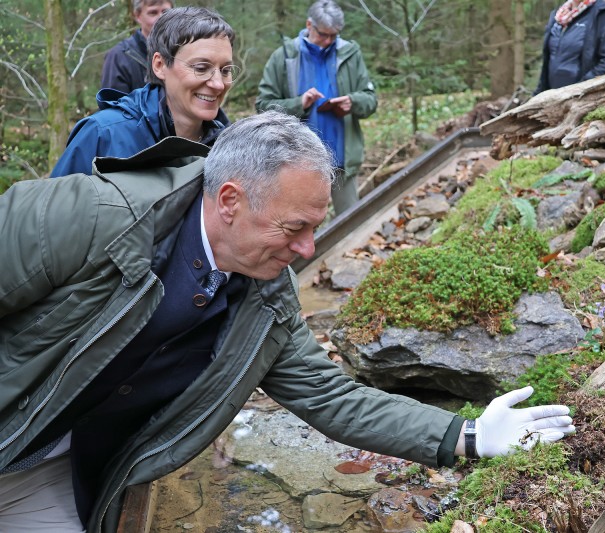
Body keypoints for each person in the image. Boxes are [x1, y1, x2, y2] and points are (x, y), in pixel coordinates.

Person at [0, 110, 575, 532]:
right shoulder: (91, 216)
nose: (307, 250)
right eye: (293, 228)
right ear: (230, 200)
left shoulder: (266, 296)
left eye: (316, 227)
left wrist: (466, 436)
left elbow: (329, 397)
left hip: (55, 471)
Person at [50, 6, 236, 178]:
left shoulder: (229, 147)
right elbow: (55, 210)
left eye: (226, 70)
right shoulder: (103, 135)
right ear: (160, 65)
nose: (218, 84)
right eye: (201, 68)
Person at [256, 0, 377, 216]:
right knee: (299, 223)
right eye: (323, 34)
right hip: (297, 164)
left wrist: (353, 102)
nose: (328, 41)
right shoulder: (285, 56)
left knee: (349, 221)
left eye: (334, 35)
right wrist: (299, 103)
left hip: (342, 161)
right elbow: (263, 106)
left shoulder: (349, 53)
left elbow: (370, 100)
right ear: (309, 25)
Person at [534, 0, 605, 95]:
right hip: (552, 97)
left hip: (584, 99)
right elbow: (548, 62)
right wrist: (538, 95)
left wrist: (577, 91)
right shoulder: (557, 16)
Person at [100, 0, 173, 94]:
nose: (161, 18)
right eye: (153, 13)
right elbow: (112, 105)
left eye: (165, 12)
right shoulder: (119, 57)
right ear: (138, 16)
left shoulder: (183, 51)